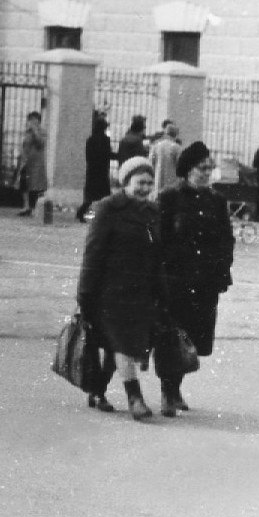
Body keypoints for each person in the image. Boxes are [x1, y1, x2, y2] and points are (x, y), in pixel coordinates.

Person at [77, 156, 164, 420]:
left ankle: (97, 390)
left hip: (140, 291)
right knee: (122, 344)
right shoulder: (108, 208)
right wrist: (85, 292)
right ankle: (134, 398)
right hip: (110, 290)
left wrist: (161, 289)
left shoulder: (152, 211)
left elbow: (156, 252)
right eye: (140, 182)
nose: (145, 188)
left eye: (149, 183)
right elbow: (93, 252)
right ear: (125, 181)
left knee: (116, 345)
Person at [156, 142, 235, 415]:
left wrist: (223, 271)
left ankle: (176, 385)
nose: (207, 173)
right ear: (188, 169)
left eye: (210, 168)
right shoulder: (169, 197)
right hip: (174, 280)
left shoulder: (217, 200)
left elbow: (226, 239)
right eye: (203, 168)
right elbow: (158, 238)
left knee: (193, 338)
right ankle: (168, 390)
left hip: (205, 281)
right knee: (172, 337)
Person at [76, 112, 112, 222]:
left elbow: (88, 155)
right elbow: (107, 154)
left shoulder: (90, 139)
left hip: (92, 170)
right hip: (102, 170)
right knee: (106, 195)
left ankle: (81, 213)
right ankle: (106, 216)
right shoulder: (105, 140)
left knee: (90, 196)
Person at [17, 111, 48, 217]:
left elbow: (41, 143)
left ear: (38, 121)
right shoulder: (27, 132)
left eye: (33, 119)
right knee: (24, 184)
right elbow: (24, 145)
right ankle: (26, 207)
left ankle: (33, 208)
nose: (31, 122)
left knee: (35, 186)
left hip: (36, 164)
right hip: (26, 161)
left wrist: (35, 131)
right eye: (30, 119)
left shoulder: (42, 132)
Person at [149, 120, 182, 196]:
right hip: (171, 179)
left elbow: (151, 162)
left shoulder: (156, 145)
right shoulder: (176, 147)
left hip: (157, 178)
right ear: (176, 135)